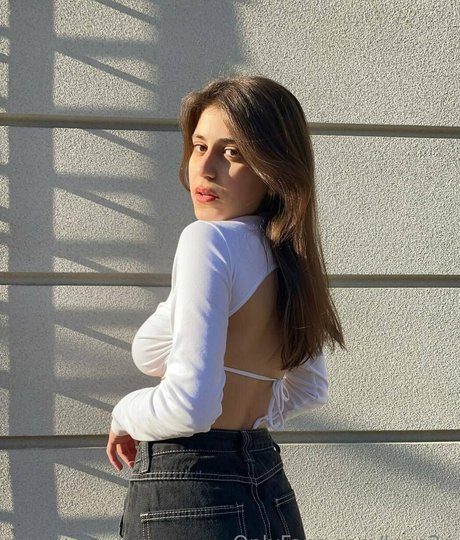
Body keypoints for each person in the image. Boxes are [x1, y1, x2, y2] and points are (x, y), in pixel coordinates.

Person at [106, 75, 345, 540]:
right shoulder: (290, 257)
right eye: (199, 147)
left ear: (273, 167)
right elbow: (308, 389)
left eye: (232, 153)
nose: (206, 168)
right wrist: (242, 426)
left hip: (192, 491)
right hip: (269, 487)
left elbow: (191, 407)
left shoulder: (208, 240)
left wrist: (124, 412)